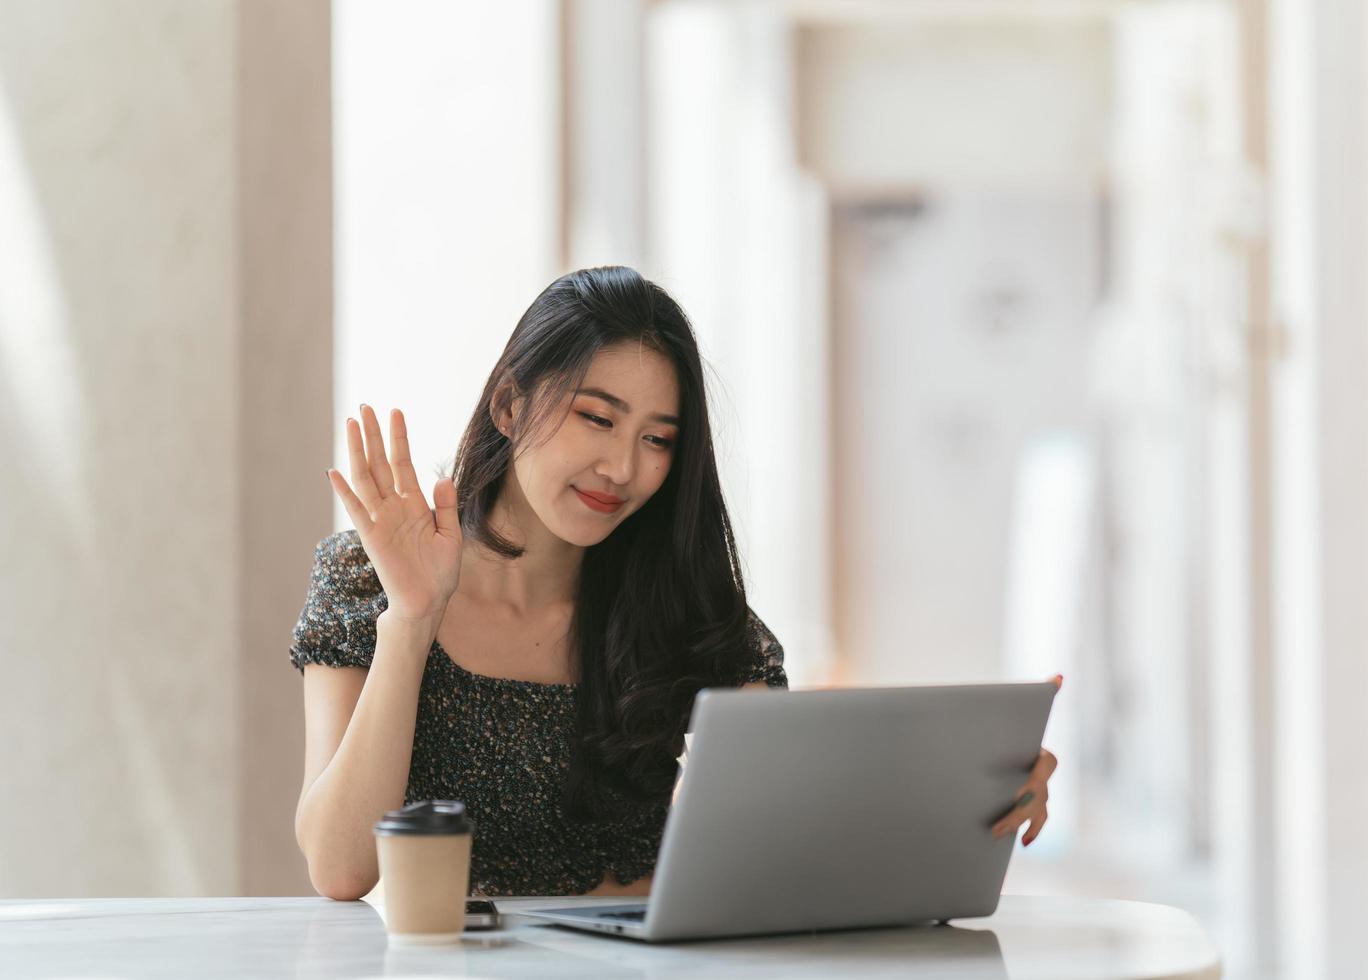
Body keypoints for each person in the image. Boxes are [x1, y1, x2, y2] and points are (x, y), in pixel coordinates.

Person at [288, 266, 1058, 901]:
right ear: (510, 404)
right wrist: (413, 620)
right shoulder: (365, 580)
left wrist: (964, 794)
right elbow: (342, 867)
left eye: (658, 439)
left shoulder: (689, 609)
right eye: (597, 418)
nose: (624, 469)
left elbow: (803, 829)